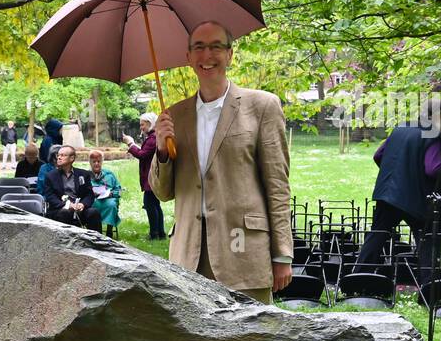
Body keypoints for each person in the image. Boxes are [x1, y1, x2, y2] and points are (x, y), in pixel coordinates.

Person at [150, 21, 293, 304]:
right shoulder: (175, 116)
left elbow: (277, 186)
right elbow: (163, 193)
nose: (208, 55)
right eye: (199, 47)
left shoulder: (262, 107)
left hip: (244, 256)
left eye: (216, 46)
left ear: (230, 54)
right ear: (188, 57)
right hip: (188, 258)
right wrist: (161, 151)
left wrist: (281, 255)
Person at [353, 98, 441, 275]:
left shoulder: (400, 128)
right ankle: (428, 286)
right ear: (438, 116)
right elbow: (432, 169)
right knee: (426, 240)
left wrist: (397, 173)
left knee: (376, 236)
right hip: (414, 197)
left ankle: (357, 278)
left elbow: (378, 155)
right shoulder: (433, 134)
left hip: (387, 193)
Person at [123, 112, 167, 240]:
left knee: (150, 205)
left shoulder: (153, 139)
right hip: (152, 176)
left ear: (150, 123)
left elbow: (142, 154)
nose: (141, 127)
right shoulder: (154, 137)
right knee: (155, 205)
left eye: (142, 124)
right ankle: (160, 233)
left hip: (151, 177)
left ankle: (154, 234)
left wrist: (130, 144)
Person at [43, 145, 102, 232]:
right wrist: (67, 205)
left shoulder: (83, 174)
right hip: (60, 209)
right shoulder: (50, 176)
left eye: (63, 155)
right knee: (65, 213)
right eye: (58, 155)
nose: (59, 157)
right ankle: (65, 243)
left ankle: (96, 243)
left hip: (79, 209)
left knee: (93, 212)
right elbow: (50, 196)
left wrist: (83, 204)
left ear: (72, 158)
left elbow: (89, 194)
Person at [86, 149, 122, 238]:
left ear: (102, 162)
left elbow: (119, 190)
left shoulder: (109, 175)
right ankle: (98, 230)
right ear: (90, 163)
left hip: (108, 199)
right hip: (93, 200)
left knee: (112, 205)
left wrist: (111, 194)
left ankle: (109, 231)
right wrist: (91, 193)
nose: (96, 164)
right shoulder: (85, 175)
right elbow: (81, 191)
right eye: (94, 162)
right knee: (92, 206)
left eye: (98, 161)